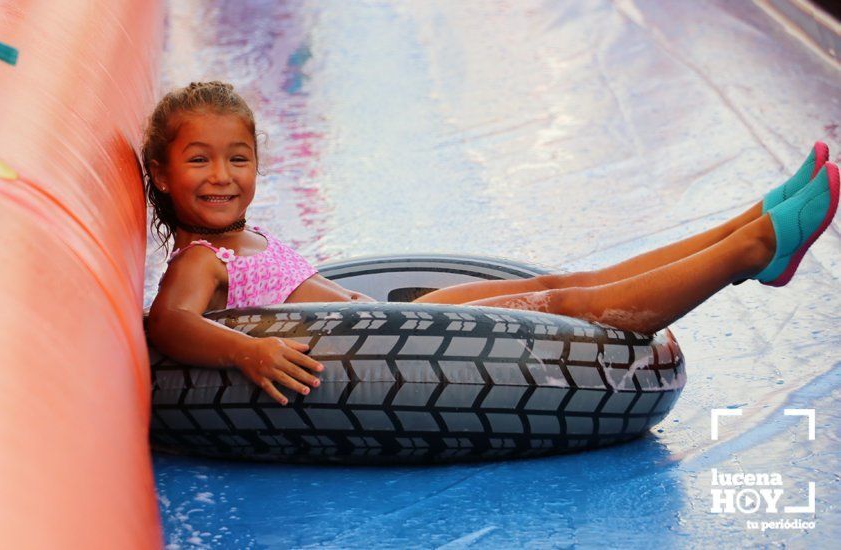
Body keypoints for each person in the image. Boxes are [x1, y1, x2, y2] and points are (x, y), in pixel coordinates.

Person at [145, 81, 839, 405]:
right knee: (576, 305)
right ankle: (750, 252)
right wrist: (248, 349)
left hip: (404, 321)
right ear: (162, 175)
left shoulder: (243, 236)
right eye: (199, 160)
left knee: (575, 283)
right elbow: (169, 322)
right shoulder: (205, 259)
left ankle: (746, 226)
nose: (222, 176)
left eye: (238, 157)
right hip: (391, 342)